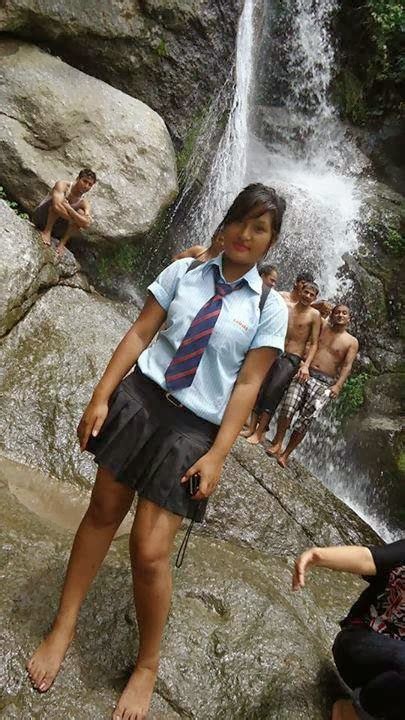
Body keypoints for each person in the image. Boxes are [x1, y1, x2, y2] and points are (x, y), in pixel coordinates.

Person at [26, 183, 288, 720]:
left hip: (194, 427)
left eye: (259, 229)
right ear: (228, 222)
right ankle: (64, 624)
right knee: (101, 512)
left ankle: (147, 664)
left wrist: (217, 454)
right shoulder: (184, 272)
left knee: (148, 551)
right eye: (241, 220)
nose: (245, 234)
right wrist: (102, 394)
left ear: (270, 242)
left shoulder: (269, 307)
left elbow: (247, 386)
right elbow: (140, 331)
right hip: (142, 398)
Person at [293, 541, 405, 720]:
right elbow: (368, 559)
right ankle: (351, 714)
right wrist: (317, 556)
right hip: (360, 645)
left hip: (391, 684)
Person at [268, 304, 358, 467]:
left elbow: (347, 366)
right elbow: (305, 307)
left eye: (344, 313)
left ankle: (285, 455)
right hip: (305, 372)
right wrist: (320, 303)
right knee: (289, 406)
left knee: (305, 420)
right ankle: (277, 442)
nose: (340, 315)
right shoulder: (322, 325)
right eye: (337, 312)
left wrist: (338, 386)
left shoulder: (351, 341)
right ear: (332, 314)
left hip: (325, 383)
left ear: (349, 318)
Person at [241, 281, 321, 444]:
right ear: (300, 290)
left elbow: (314, 343)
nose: (307, 296)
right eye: (306, 292)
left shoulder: (314, 315)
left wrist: (305, 365)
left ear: (315, 298)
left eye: (311, 295)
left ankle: (259, 432)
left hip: (292, 357)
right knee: (261, 387)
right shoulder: (287, 307)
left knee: (273, 391)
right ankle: (250, 428)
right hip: (275, 350)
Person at [32, 168, 96, 255]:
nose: (86, 186)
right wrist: (74, 220)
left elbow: (87, 224)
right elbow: (57, 206)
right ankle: (47, 231)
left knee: (81, 213)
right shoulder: (63, 185)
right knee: (58, 204)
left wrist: (69, 208)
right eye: (84, 181)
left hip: (58, 229)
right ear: (78, 179)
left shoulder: (84, 202)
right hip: (41, 218)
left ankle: (62, 243)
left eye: (90, 185)